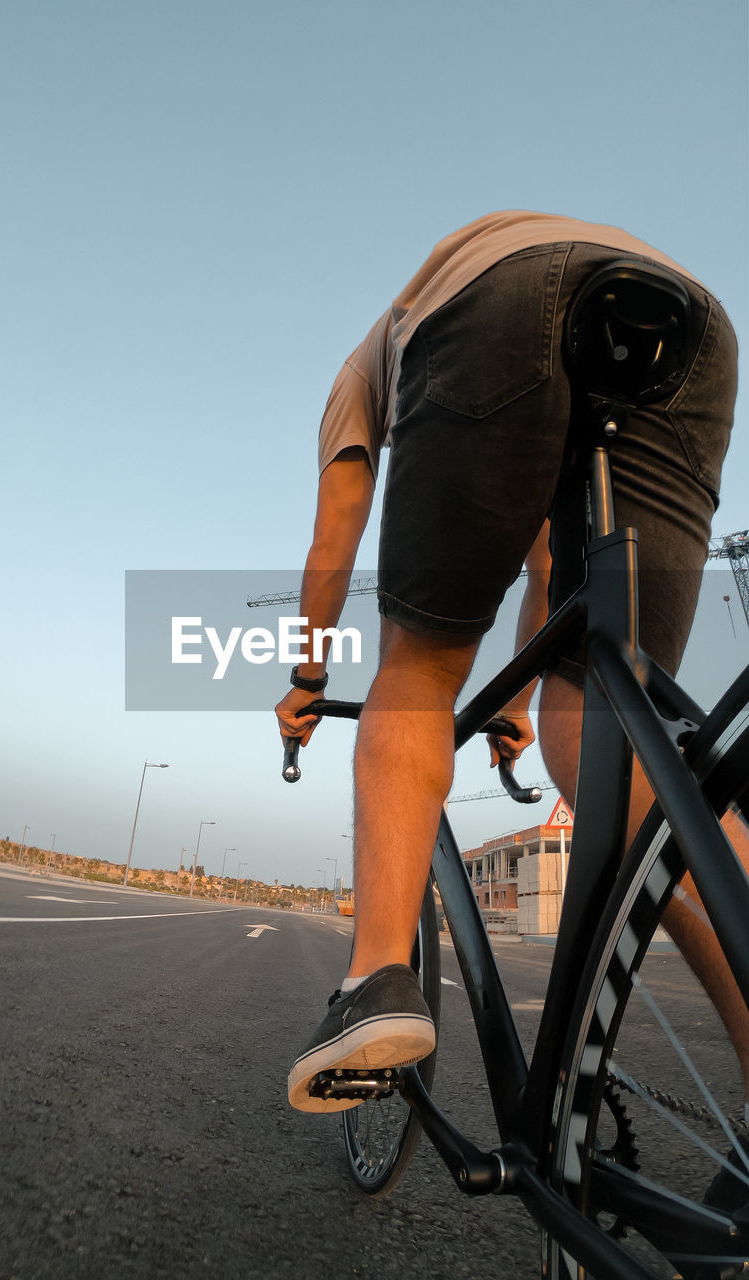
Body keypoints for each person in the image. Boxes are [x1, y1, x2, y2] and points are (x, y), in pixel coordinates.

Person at [274, 210, 741, 1116]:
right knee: (605, 732)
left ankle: (373, 980)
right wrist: (525, 706)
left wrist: (306, 680)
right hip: (694, 331)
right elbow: (543, 567)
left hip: (500, 293)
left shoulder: (362, 363)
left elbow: (338, 527)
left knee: (416, 672)